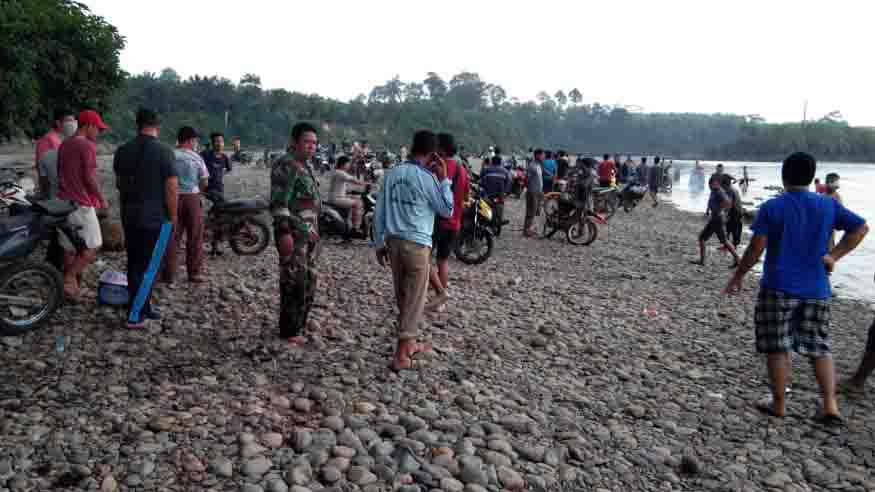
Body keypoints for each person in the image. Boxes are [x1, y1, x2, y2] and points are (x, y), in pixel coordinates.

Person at [725, 152, 868, 422]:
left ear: (784, 175)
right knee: (819, 347)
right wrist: (833, 256)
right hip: (817, 288)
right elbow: (861, 229)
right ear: (813, 175)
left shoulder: (773, 207)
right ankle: (829, 405)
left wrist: (738, 275)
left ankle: (778, 404)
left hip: (778, 286)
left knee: (777, 346)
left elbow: (756, 248)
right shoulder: (828, 205)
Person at [373, 130, 453, 371]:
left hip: (393, 242)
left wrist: (378, 242)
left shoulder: (393, 173)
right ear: (432, 154)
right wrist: (445, 179)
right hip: (417, 244)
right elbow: (447, 209)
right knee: (415, 300)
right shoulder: (427, 177)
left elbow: (380, 209)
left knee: (404, 296)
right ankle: (400, 355)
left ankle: (410, 344)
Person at [113, 108, 179, 328]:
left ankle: (144, 306)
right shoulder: (164, 152)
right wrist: (173, 215)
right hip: (155, 217)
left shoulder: (123, 150)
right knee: (149, 266)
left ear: (137, 124)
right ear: (157, 125)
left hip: (129, 214)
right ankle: (135, 315)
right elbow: (171, 188)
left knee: (135, 262)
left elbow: (119, 183)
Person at [271, 122, 322, 345]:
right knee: (294, 280)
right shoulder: (287, 164)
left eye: (314, 143)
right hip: (293, 231)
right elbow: (279, 204)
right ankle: (289, 329)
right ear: (294, 142)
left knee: (310, 279)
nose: (312, 147)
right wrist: (284, 232)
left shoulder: (305, 165)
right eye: (307, 142)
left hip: (308, 234)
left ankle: (299, 323)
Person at [56, 110, 110, 299]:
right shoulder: (86, 146)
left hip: (62, 202)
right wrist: (101, 198)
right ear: (89, 126)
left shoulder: (65, 144)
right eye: (98, 129)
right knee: (93, 245)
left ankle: (71, 289)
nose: (99, 133)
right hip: (80, 204)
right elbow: (89, 177)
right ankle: (68, 278)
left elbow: (60, 173)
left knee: (70, 247)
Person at [426, 133, 469, 312]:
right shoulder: (462, 169)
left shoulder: (439, 167)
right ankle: (440, 300)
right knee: (443, 260)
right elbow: (466, 196)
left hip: (437, 221)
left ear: (441, 149)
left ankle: (428, 292)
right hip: (455, 223)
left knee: (424, 258)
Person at [163, 126, 209, 284]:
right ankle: (194, 273)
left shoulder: (169, 156)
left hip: (172, 197)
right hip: (192, 198)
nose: (196, 143)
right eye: (195, 140)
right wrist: (199, 192)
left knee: (172, 236)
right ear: (190, 140)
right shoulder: (196, 158)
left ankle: (168, 274)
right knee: (195, 236)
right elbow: (204, 181)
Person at [693, 175, 740, 267]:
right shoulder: (714, 191)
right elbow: (713, 203)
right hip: (715, 218)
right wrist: (710, 211)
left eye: (711, 184)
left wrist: (720, 210)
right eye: (710, 184)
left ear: (716, 183)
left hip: (717, 219)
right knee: (708, 239)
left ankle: (738, 259)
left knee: (719, 240)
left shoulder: (719, 191)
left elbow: (728, 203)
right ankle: (702, 260)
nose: (710, 186)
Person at [36, 109, 77, 198]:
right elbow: (42, 171)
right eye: (69, 121)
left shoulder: (63, 139)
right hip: (55, 194)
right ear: (58, 123)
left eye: (74, 121)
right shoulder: (47, 141)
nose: (73, 124)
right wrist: (45, 194)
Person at [326, 156, 367, 234]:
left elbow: (344, 188)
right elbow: (353, 180)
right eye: (348, 164)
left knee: (356, 198)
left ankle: (349, 223)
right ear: (343, 164)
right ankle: (355, 228)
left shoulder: (338, 172)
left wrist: (353, 192)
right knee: (358, 204)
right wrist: (366, 183)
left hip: (338, 196)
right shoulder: (339, 173)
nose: (349, 165)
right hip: (336, 198)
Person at [480, 155, 510, 236]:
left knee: (484, 210)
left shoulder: (486, 170)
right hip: (499, 196)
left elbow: (481, 179)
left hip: (487, 194)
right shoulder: (505, 171)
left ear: (491, 162)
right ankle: (499, 223)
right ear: (500, 162)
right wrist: (505, 193)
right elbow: (509, 182)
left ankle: (484, 225)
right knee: (500, 210)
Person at [524, 149, 545, 237]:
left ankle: (530, 228)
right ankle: (527, 230)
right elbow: (527, 179)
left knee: (536, 211)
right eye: (542, 155)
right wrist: (530, 189)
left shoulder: (539, 165)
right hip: (532, 192)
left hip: (538, 191)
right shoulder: (532, 166)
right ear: (537, 155)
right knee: (531, 211)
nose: (544, 157)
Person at [722, 174, 744, 249]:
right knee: (730, 228)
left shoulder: (729, 190)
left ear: (725, 184)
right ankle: (728, 245)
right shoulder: (733, 188)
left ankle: (733, 246)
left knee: (732, 229)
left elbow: (729, 203)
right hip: (738, 211)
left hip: (735, 212)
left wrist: (725, 214)